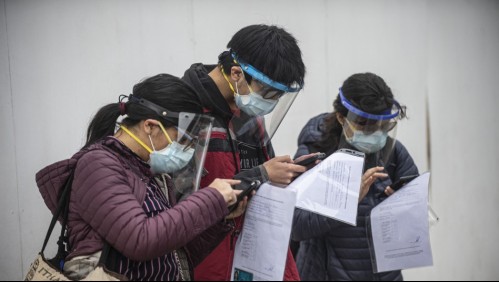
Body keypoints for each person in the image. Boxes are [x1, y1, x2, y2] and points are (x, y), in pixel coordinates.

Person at [35, 73, 250, 281]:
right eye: (183, 139)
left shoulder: (150, 172)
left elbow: (175, 254)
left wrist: (219, 216)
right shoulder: (98, 165)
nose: (188, 149)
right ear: (149, 126)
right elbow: (140, 240)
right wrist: (211, 198)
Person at [182, 24, 307, 281]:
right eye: (269, 92)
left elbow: (262, 181)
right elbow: (180, 204)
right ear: (237, 74)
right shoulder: (184, 113)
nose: (270, 102)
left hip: (251, 258)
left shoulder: (249, 115)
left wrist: (288, 174)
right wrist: (261, 174)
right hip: (203, 264)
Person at [291, 72, 419, 281]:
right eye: (366, 125)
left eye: (383, 126)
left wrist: (402, 206)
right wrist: (348, 199)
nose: (376, 133)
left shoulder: (394, 154)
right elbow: (297, 227)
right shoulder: (315, 151)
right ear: (342, 118)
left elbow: (416, 225)